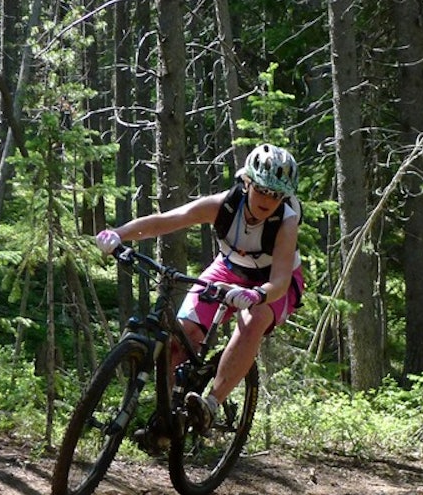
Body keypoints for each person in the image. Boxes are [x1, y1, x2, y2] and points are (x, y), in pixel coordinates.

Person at [94, 143, 305, 436]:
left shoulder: (286, 221)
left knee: (253, 319)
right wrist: (119, 233)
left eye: (276, 194)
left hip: (272, 284)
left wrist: (256, 295)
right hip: (228, 268)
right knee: (180, 341)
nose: (268, 200)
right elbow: (167, 221)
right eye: (262, 189)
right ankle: (166, 424)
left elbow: (280, 280)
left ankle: (211, 404)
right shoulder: (223, 206)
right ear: (247, 182)